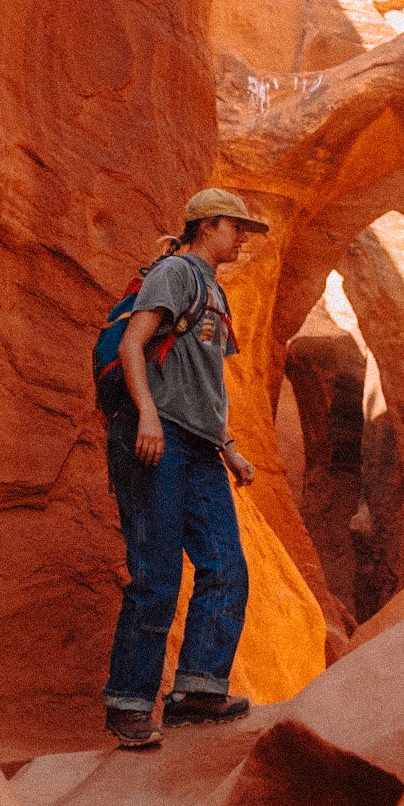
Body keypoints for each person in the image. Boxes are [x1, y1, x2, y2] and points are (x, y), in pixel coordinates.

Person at [103, 187, 267, 749]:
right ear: (207, 225)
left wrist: (229, 447)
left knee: (226, 567)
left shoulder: (216, 295)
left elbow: (206, 385)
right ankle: (128, 702)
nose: (243, 237)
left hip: (199, 448)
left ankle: (196, 691)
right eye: (236, 227)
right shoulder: (175, 273)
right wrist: (147, 415)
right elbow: (132, 345)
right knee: (157, 576)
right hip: (158, 439)